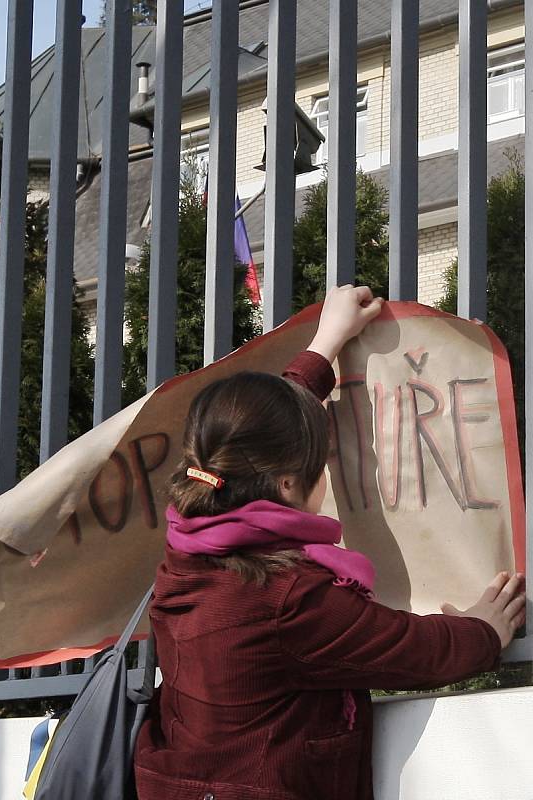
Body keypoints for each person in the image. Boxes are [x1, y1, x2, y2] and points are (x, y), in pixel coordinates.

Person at [134, 285, 525, 800]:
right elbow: (415, 650)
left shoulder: (191, 544)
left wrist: (326, 343)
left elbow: (254, 433)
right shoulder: (289, 600)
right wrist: (484, 630)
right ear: (290, 485)